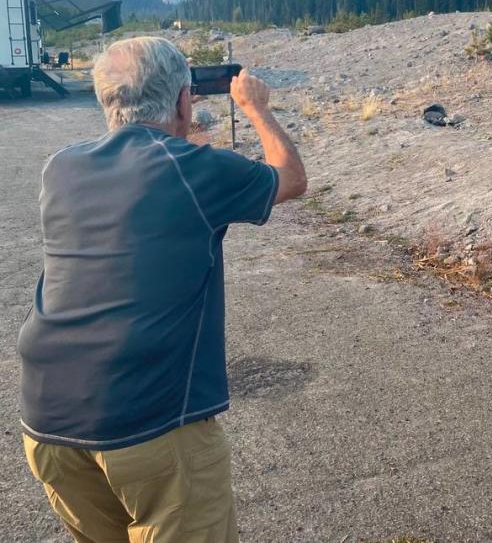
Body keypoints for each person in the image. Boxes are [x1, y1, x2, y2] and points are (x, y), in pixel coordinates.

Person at [18, 36, 307, 543]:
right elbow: (291, 178)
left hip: (47, 422)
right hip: (146, 420)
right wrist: (255, 108)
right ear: (183, 100)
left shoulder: (60, 167)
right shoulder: (196, 169)